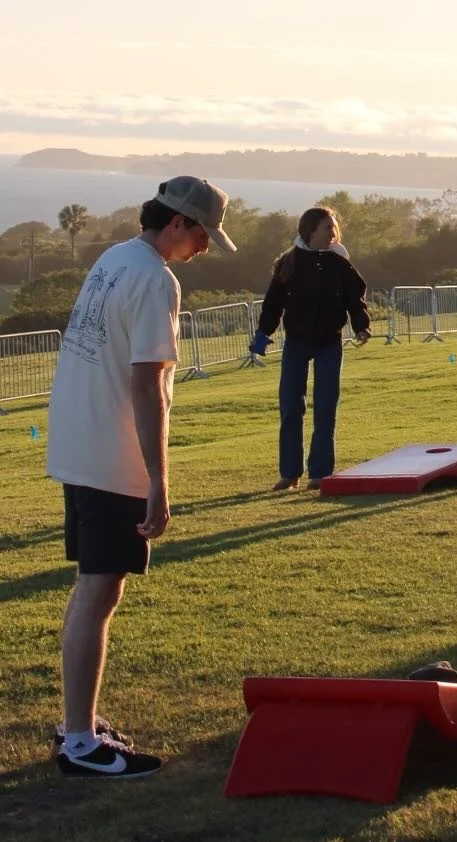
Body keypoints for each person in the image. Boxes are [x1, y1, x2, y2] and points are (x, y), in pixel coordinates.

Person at [46, 176, 237, 778]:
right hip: (112, 456)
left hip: (80, 443)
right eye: (203, 234)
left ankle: (78, 721)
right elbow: (147, 382)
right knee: (99, 590)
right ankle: (80, 743)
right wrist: (158, 478)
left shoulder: (114, 257)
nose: (204, 247)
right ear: (178, 222)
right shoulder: (156, 278)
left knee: (94, 587)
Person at [251, 205, 371, 490]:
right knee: (291, 406)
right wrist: (263, 334)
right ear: (311, 231)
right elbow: (273, 304)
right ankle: (289, 473)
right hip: (296, 343)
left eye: (334, 227)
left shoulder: (340, 263)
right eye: (327, 227)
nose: (333, 232)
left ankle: (320, 473)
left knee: (325, 408)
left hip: (329, 343)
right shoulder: (289, 262)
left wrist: (361, 326)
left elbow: (355, 299)